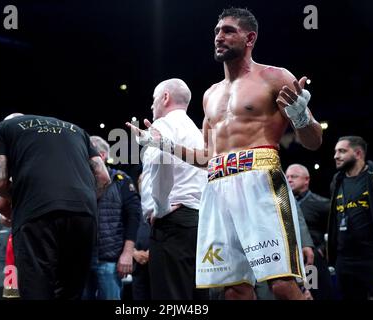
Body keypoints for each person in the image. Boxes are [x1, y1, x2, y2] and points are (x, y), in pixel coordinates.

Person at [127, 8, 322, 300]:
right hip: (217, 186)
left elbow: (314, 141)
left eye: (229, 30)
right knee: (233, 291)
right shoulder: (210, 94)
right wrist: (163, 145)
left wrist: (300, 116)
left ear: (250, 38)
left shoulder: (275, 77)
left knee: (281, 284)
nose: (220, 36)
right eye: (217, 31)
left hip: (261, 182)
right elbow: (206, 157)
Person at [0, 113, 110, 299]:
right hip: (84, 213)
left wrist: (23, 201)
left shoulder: (5, 128)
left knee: (37, 290)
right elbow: (103, 178)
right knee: (71, 292)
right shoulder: (76, 129)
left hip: (36, 212)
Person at [133, 78, 209, 300]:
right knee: (197, 298)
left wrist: (161, 208)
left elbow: (160, 166)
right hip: (198, 221)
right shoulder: (197, 132)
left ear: (165, 97)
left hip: (172, 222)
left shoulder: (163, 125)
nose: (151, 105)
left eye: (154, 99)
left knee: (171, 298)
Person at [328, 136, 373, 299]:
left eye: (342, 151)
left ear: (358, 153)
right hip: (345, 260)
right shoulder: (337, 181)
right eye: (335, 151)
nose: (336, 156)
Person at [85, 136, 141, 300]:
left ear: (101, 156)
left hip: (110, 260)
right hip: (81, 260)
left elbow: (134, 217)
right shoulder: (78, 181)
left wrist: (127, 253)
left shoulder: (121, 181)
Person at [286, 164, 335, 300]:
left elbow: (334, 230)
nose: (289, 179)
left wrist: (322, 250)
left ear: (306, 180)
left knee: (312, 294)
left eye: (294, 176)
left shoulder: (321, 204)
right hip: (288, 262)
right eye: (287, 176)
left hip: (310, 262)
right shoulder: (280, 206)